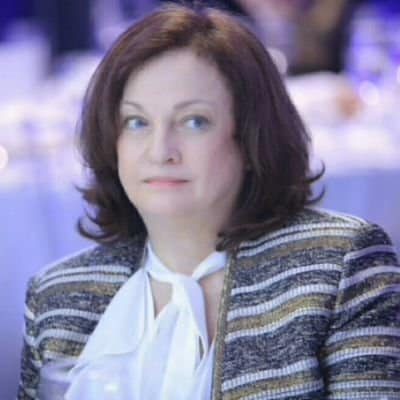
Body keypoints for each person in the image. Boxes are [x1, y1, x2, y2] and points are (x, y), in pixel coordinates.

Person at [18, 3, 400, 400]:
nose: (160, 151)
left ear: (252, 137)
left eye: (194, 121)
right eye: (137, 122)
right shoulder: (57, 296)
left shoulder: (339, 269)